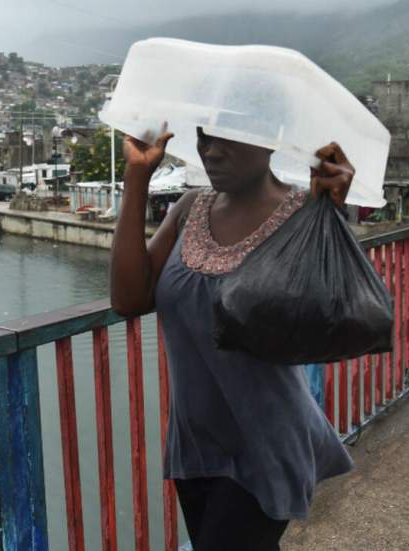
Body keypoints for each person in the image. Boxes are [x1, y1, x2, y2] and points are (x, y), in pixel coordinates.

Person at [110, 124, 355, 550]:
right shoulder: (189, 208)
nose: (212, 151)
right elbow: (129, 298)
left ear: (270, 140)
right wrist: (137, 178)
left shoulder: (303, 210)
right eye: (205, 137)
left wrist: (327, 218)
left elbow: (323, 321)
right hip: (197, 444)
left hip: (268, 442)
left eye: (229, 137)